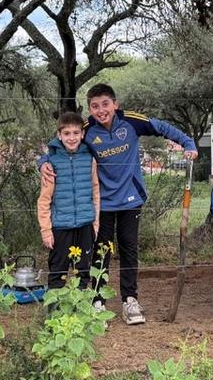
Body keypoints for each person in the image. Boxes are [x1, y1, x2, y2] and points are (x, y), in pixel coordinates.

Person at [40, 84, 198, 325]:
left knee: (128, 249)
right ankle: (97, 299)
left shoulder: (132, 122)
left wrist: (188, 143)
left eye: (105, 104)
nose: (101, 110)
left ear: (115, 104)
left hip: (130, 199)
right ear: (90, 110)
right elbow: (59, 143)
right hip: (103, 203)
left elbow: (162, 127)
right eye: (94, 106)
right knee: (100, 251)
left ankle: (130, 300)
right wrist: (42, 162)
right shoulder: (86, 129)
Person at [37, 112, 101, 292]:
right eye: (66, 133)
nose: (71, 138)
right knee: (58, 272)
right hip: (61, 226)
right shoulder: (51, 162)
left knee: (83, 273)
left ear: (82, 134)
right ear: (59, 135)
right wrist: (46, 230)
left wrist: (95, 223)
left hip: (85, 224)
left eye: (75, 133)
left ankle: (81, 315)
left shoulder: (90, 158)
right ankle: (55, 316)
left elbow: (96, 192)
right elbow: (44, 200)